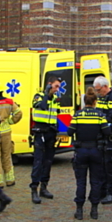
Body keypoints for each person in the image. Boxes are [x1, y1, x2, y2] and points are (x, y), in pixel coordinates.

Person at [67, 87, 112, 220]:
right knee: (95, 182)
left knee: (81, 182)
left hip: (81, 151)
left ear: (84, 101)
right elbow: (107, 132)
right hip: (96, 151)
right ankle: (94, 210)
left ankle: (79, 210)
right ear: (95, 102)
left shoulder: (78, 115)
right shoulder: (100, 115)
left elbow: (70, 132)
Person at [29, 76, 62, 204]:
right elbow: (42, 107)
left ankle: (44, 187)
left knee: (48, 162)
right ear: (49, 85)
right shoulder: (39, 96)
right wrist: (47, 94)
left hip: (50, 133)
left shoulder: (55, 99)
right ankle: (34, 189)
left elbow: (56, 114)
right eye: (56, 86)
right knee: (38, 161)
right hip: (40, 132)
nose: (57, 89)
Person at [0, 80, 23, 188]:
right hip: (6, 131)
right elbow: (18, 113)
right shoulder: (9, 102)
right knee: (7, 156)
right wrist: (10, 121)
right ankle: (10, 180)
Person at [93, 76, 112, 205]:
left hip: (110, 137)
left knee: (110, 167)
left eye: (99, 90)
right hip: (101, 136)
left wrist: (101, 121)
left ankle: (111, 194)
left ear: (105, 87)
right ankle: (102, 192)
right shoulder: (101, 97)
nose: (98, 93)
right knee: (101, 167)